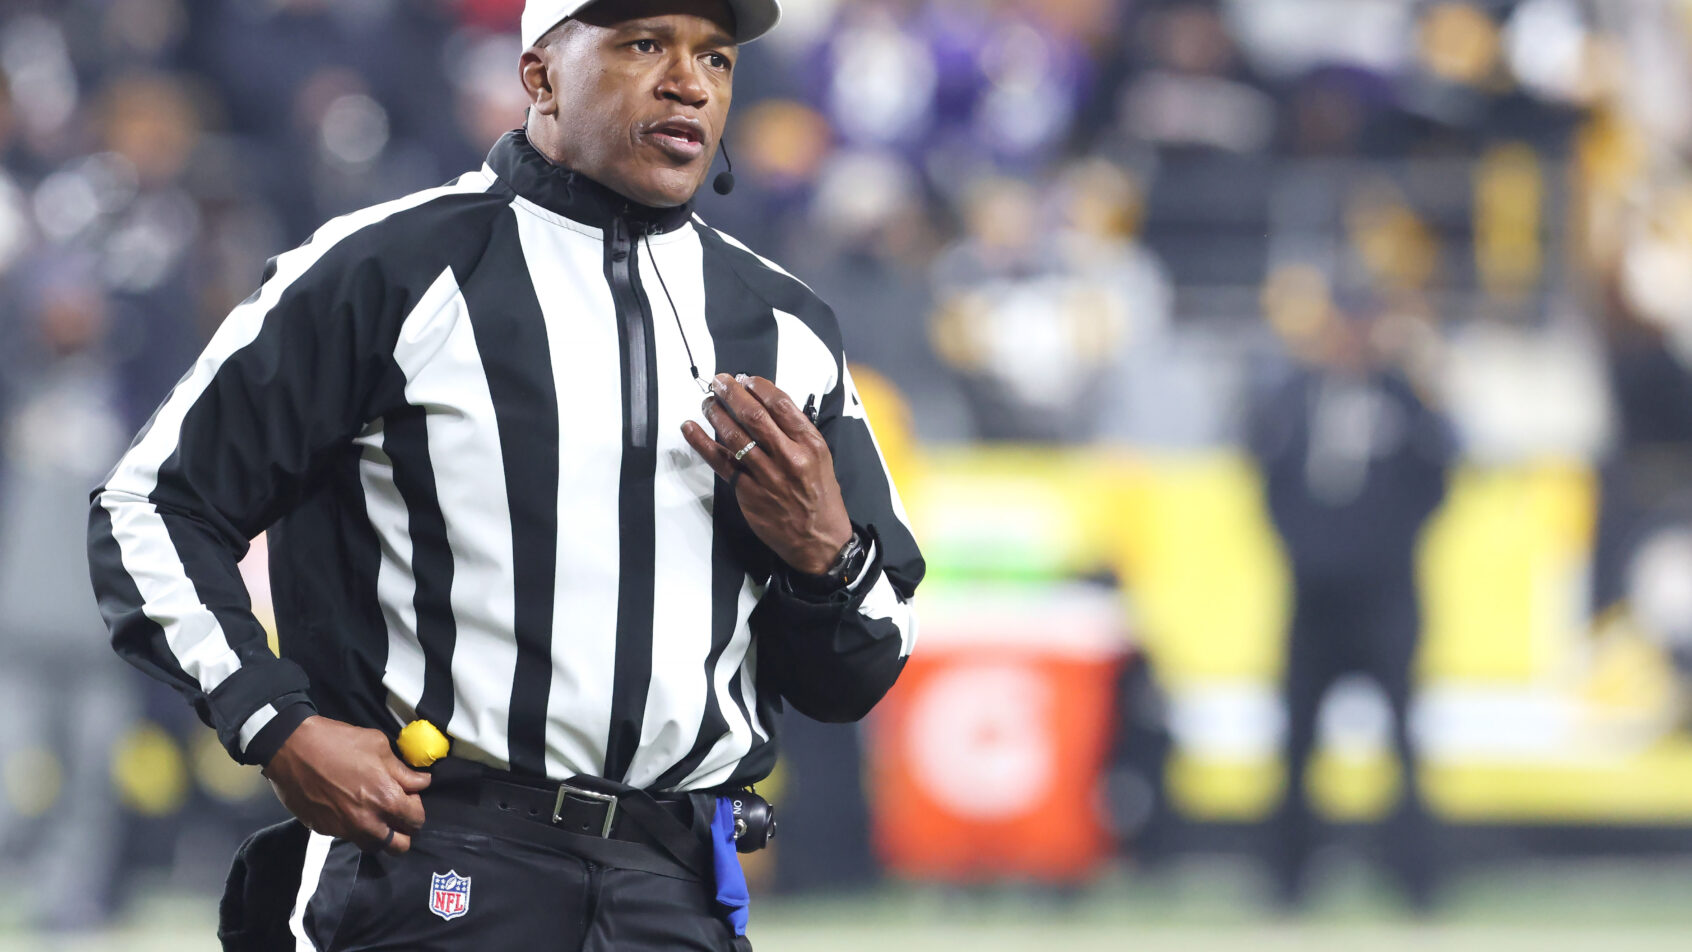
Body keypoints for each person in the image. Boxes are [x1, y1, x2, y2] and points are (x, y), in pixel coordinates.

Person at [86, 0, 923, 948]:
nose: (689, 81)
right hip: (428, 860)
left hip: (675, 883)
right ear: (539, 75)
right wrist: (275, 723)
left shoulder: (785, 328)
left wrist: (827, 555)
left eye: (716, 59)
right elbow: (149, 505)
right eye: (644, 44)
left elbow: (859, 668)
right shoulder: (386, 270)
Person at [1249, 288, 1451, 912]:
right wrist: (1307, 549)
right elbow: (1267, 475)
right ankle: (1289, 880)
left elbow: (1440, 472)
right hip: (1314, 598)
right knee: (1298, 741)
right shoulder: (1295, 395)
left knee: (1405, 742)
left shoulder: (1403, 398)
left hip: (1386, 595)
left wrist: (1386, 546)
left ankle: (1414, 881)